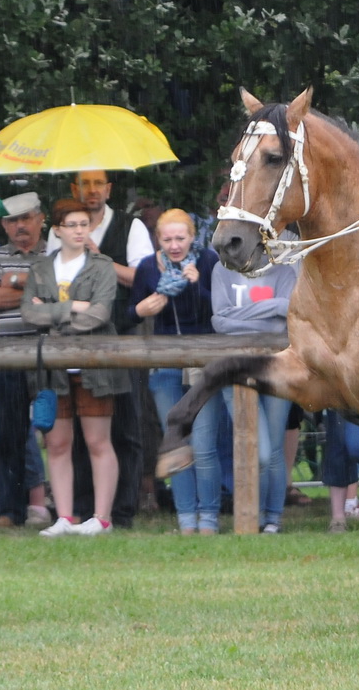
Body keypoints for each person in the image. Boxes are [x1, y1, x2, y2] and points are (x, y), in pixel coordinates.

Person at [24, 204, 125, 537]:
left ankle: (102, 518)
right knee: (57, 444)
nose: (80, 230)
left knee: (98, 441)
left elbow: (100, 315)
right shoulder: (39, 268)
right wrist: (74, 307)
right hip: (53, 368)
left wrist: (53, 312)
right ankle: (64, 518)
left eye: (85, 224)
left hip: (94, 364)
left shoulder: (102, 265)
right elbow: (29, 314)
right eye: (72, 225)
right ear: (57, 230)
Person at [62, 170, 152, 527]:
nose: (92, 190)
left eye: (98, 183)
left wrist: (100, 258)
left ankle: (124, 510)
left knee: (127, 425)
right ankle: (85, 509)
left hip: (123, 336)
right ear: (75, 189)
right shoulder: (66, 229)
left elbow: (144, 279)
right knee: (84, 428)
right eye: (85, 184)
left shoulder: (131, 227)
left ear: (109, 189)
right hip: (78, 339)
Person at [127, 208, 220, 533]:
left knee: (205, 445)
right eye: (167, 239)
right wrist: (140, 309)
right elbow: (129, 315)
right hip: (165, 367)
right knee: (176, 447)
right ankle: (185, 520)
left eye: (180, 238)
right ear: (158, 240)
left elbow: (219, 310)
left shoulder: (208, 261)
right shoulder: (149, 268)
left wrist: (196, 287)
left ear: (193, 237)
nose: (174, 245)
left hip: (204, 365)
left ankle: (208, 518)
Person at [0, 192, 54, 528]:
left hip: (49, 353)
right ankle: (11, 510)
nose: (21, 226)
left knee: (59, 434)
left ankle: (66, 508)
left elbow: (59, 292)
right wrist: (35, 288)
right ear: (3, 225)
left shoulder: (56, 252)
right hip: (4, 353)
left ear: (41, 219)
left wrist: (14, 283)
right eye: (13, 220)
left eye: (27, 218)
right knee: (8, 434)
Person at [210, 256, 297, 532]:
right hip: (234, 366)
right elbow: (218, 321)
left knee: (273, 449)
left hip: (277, 365)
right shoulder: (221, 269)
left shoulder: (283, 269)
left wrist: (241, 315)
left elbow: (286, 313)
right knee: (258, 450)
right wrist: (270, 309)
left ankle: (273, 519)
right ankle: (254, 516)